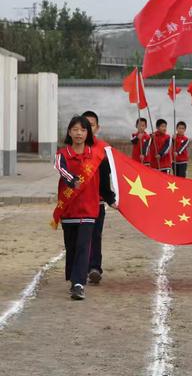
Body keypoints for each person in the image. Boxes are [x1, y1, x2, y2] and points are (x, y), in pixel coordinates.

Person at [53, 115, 116, 300]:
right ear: (69, 133)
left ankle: (78, 284)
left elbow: (104, 182)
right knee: (71, 247)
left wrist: (111, 199)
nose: (78, 133)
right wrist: (71, 180)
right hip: (69, 209)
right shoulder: (62, 154)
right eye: (75, 130)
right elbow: (60, 168)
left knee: (83, 246)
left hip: (89, 210)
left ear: (88, 133)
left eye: (82, 130)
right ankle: (74, 277)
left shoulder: (97, 156)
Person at [81, 110, 112, 285]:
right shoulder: (73, 149)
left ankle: (94, 267)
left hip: (97, 201)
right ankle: (79, 268)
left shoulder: (104, 149)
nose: (87, 128)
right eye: (84, 125)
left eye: (91, 125)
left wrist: (111, 197)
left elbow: (108, 175)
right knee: (79, 237)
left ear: (97, 127)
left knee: (95, 235)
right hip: (78, 201)